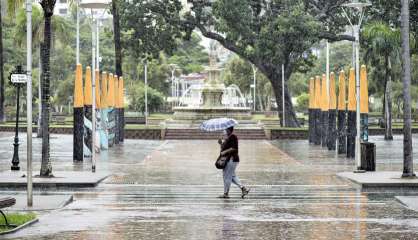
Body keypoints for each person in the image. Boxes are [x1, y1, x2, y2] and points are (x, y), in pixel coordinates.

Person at [218, 126, 250, 199]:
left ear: (229, 130)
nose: (224, 130)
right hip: (229, 159)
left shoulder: (233, 136)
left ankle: (226, 194)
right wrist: (221, 143)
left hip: (231, 159)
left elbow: (234, 148)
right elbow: (223, 149)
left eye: (226, 129)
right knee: (232, 176)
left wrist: (224, 151)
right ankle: (243, 189)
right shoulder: (228, 138)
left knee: (227, 176)